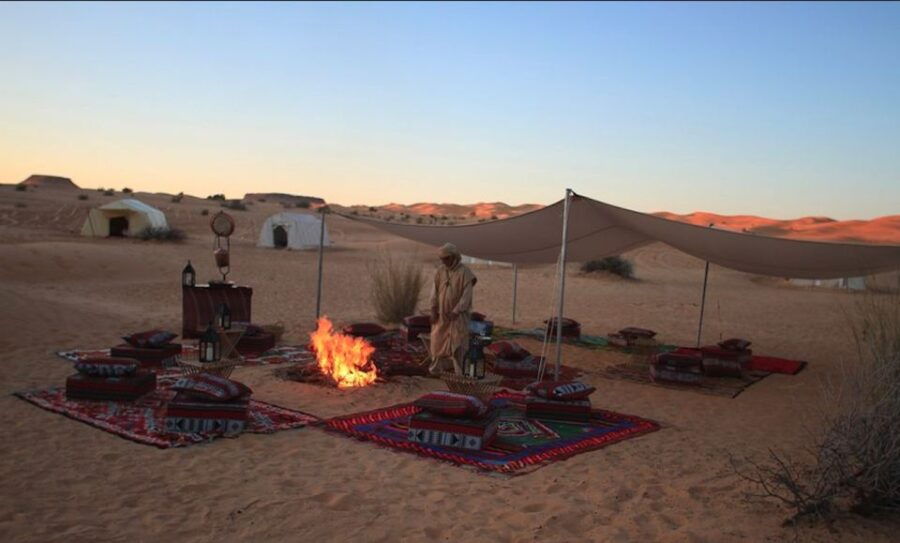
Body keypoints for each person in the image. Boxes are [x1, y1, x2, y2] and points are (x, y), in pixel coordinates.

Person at [428, 243, 477, 375]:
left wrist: (456, 311)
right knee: (438, 341)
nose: (444, 261)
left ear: (454, 257)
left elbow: (467, 296)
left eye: (447, 258)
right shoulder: (440, 271)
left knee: (458, 345)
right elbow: (434, 291)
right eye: (442, 259)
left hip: (458, 317)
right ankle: (436, 370)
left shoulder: (465, 273)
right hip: (442, 315)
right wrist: (433, 309)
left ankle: (460, 374)